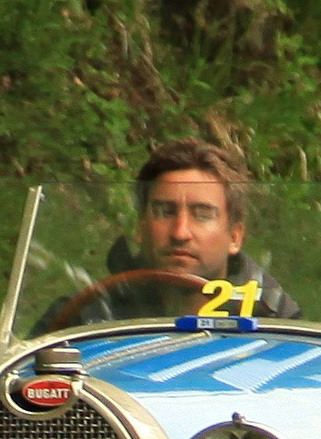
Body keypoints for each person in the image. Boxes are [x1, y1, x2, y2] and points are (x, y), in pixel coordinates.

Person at [38, 138, 299, 330]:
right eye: (164, 211)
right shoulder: (85, 317)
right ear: (140, 228)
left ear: (235, 237)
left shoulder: (276, 321)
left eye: (202, 214)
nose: (180, 232)